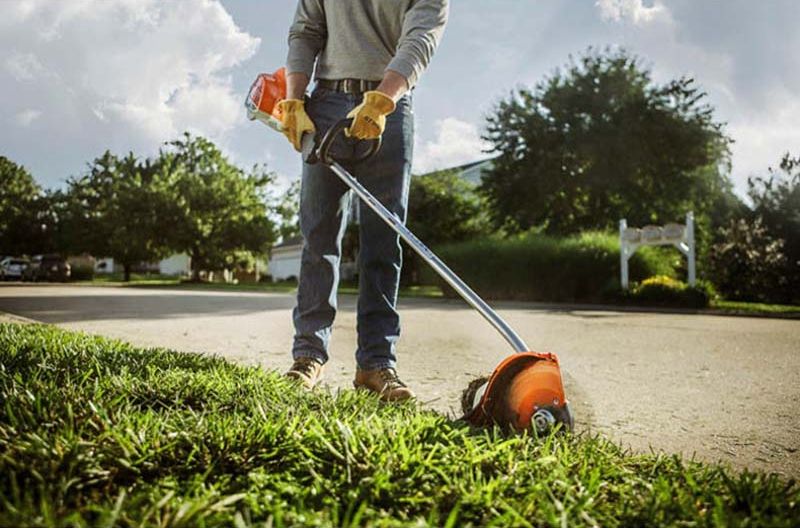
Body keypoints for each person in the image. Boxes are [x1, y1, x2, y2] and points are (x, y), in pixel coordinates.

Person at [278, 0, 449, 401]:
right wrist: (294, 98)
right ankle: (308, 357)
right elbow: (306, 31)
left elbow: (421, 37)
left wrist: (381, 100)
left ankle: (376, 364)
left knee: (383, 242)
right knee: (318, 238)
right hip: (324, 105)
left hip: (389, 105)